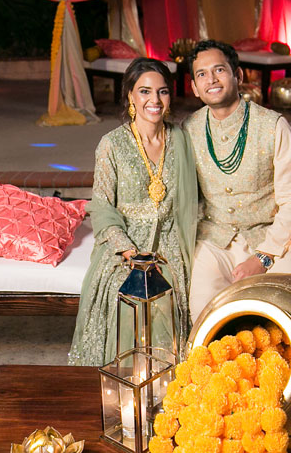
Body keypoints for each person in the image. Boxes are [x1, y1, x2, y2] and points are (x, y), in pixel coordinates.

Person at [68, 58, 197, 366]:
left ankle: (168, 379)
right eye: (145, 91)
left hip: (172, 240)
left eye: (162, 91)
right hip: (126, 245)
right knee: (125, 291)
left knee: (170, 290)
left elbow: (196, 199)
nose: (155, 100)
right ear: (130, 95)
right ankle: (128, 379)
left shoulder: (181, 139)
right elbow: (102, 207)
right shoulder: (111, 145)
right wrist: (129, 252)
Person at [183, 40, 291, 321]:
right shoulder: (189, 129)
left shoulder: (274, 125)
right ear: (194, 87)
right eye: (202, 74)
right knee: (204, 316)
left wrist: (264, 257)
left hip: (270, 236)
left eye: (219, 70)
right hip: (213, 239)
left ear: (238, 75)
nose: (211, 80)